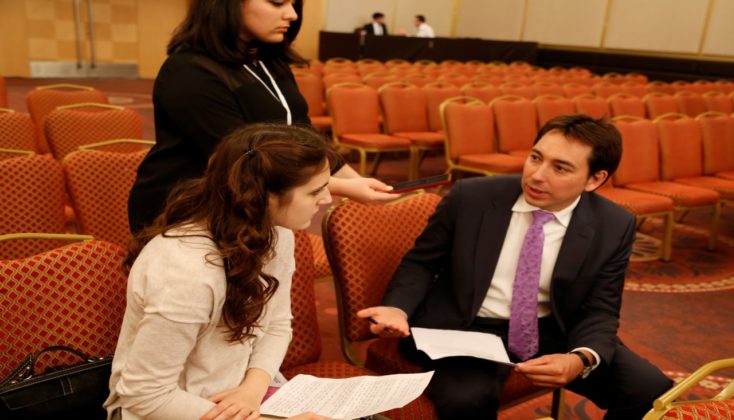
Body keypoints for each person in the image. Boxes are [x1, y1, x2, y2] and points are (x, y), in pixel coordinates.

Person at [358, 115, 672, 419]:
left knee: (650, 388)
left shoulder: (613, 224)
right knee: (466, 400)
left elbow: (601, 307)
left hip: (550, 327)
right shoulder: (472, 197)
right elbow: (422, 262)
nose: (537, 175)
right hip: (466, 328)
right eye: (536, 158)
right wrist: (397, 308)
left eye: (560, 168)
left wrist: (581, 358)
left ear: (595, 179)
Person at [105, 124, 331, 420]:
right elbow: (145, 395)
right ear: (266, 197)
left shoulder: (276, 232)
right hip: (169, 410)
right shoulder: (187, 273)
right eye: (315, 191)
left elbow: (277, 323)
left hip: (235, 395)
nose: (327, 198)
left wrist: (253, 388)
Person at [128, 0, 395, 234]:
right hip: (188, 214)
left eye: (293, 4)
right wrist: (341, 187)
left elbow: (304, 135)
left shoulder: (267, 60)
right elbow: (242, 161)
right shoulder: (189, 70)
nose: (292, 14)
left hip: (254, 204)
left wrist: (355, 179)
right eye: (277, 3)